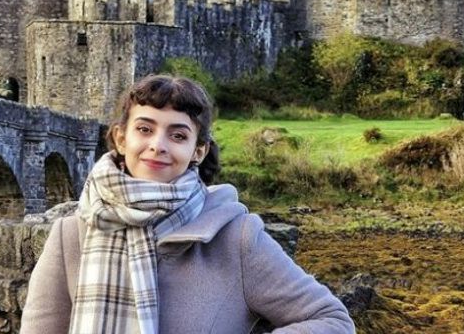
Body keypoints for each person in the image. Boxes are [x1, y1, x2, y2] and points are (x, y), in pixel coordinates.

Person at [20, 75, 355, 334]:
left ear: (199, 151)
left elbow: (331, 319)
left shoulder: (236, 237)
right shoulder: (70, 236)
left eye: (178, 135)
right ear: (121, 138)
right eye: (144, 129)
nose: (158, 145)